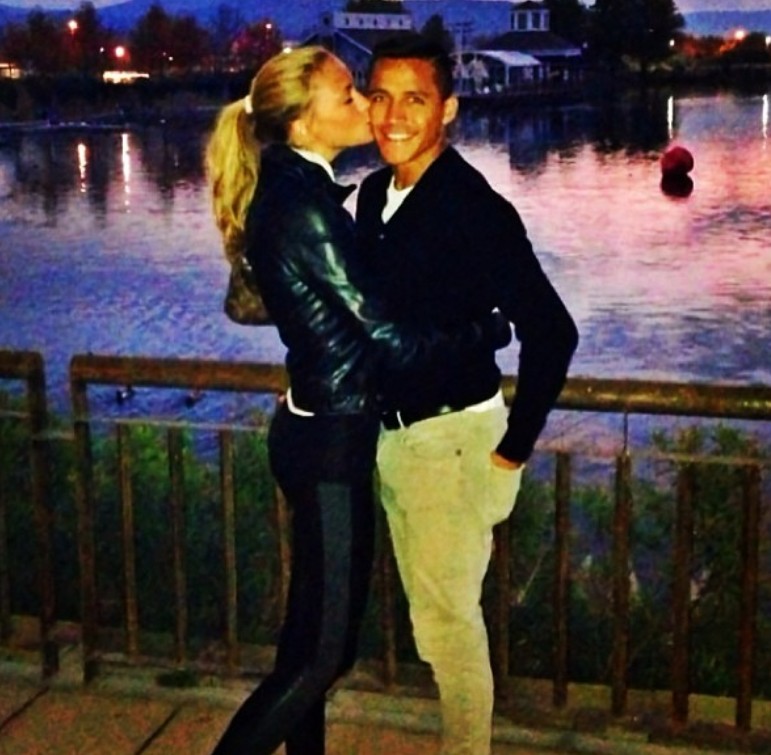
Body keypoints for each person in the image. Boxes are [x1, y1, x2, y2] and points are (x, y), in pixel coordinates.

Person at [204, 46, 511, 755]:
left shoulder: (295, 190)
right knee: (324, 656)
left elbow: (269, 300)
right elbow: (388, 341)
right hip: (332, 444)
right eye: (348, 95)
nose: (366, 106)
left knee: (305, 644)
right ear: (303, 120)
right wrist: (485, 329)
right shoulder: (303, 206)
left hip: (315, 428)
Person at [356, 34, 579, 755]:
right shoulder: (373, 195)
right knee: (434, 626)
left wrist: (510, 454)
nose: (393, 116)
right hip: (397, 437)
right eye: (380, 96)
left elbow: (552, 332)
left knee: (450, 631)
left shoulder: (473, 208)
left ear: (447, 109)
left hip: (453, 441)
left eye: (414, 99)